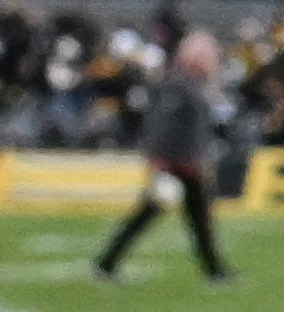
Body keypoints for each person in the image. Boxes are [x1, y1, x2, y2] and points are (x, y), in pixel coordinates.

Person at [90, 33, 229, 283]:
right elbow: (163, 125)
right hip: (177, 164)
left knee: (196, 220)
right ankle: (106, 263)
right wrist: (160, 162)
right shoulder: (180, 84)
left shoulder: (187, 83)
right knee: (151, 216)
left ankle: (214, 270)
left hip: (186, 163)